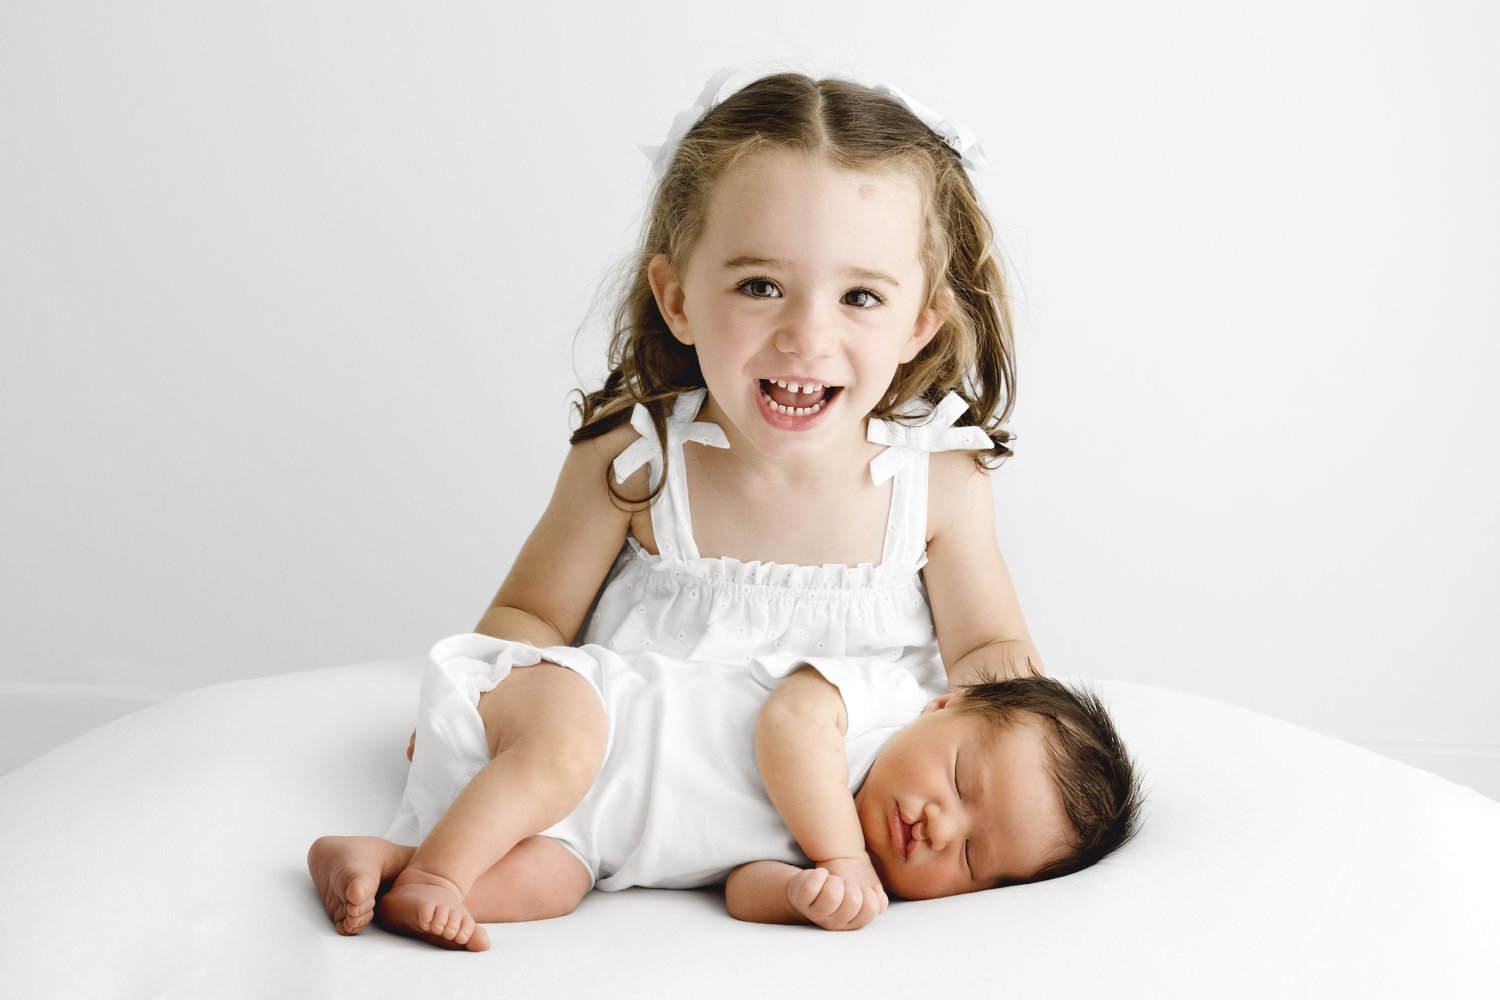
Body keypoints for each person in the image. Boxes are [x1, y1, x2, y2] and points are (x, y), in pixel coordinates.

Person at [313, 67, 1090, 947]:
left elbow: (988, 650)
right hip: (614, 788)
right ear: (677, 297)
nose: (807, 334)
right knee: (538, 843)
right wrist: (481, 706)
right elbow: (532, 613)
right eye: (760, 285)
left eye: (861, 296)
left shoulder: (937, 485)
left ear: (920, 324)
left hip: (792, 834)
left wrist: (1025, 767)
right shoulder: (636, 459)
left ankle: (395, 864)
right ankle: (403, 861)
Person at [308, 634, 1139, 950]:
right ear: (946, 705)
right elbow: (788, 725)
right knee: (562, 756)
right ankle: (437, 879)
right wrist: (839, 853)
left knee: (552, 886)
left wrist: (808, 895)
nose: (936, 824)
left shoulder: (860, 876)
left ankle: (387, 862)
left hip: (581, 835)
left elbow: (741, 890)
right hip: (579, 704)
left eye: (970, 856)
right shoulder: (876, 702)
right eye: (960, 779)